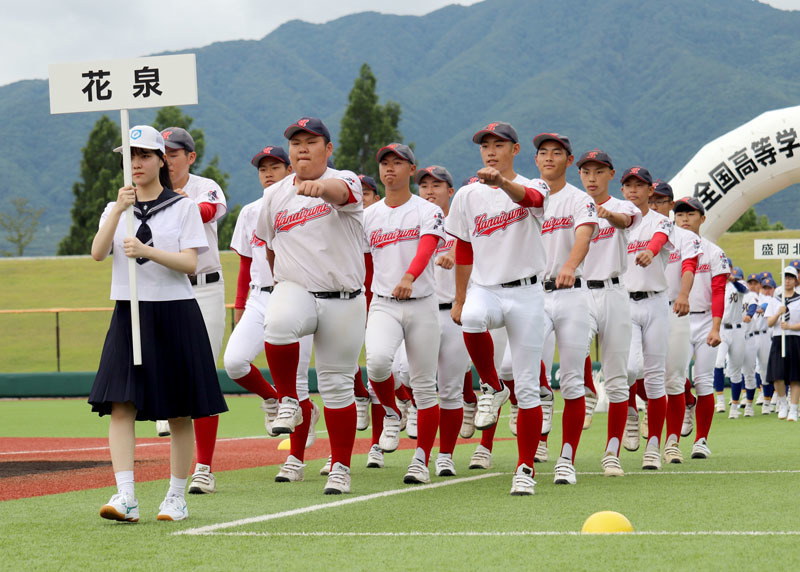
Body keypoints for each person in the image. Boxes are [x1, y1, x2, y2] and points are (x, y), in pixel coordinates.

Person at [89, 125, 227, 522]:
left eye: (145, 155)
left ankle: (175, 496)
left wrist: (148, 249)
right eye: (129, 157)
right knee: (121, 405)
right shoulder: (116, 208)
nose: (136, 163)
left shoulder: (182, 206)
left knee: (179, 410)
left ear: (160, 160)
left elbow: (190, 262)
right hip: (129, 310)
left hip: (175, 311)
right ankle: (126, 496)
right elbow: (98, 253)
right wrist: (117, 210)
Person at [257, 117, 366, 495]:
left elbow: (340, 192)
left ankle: (340, 467)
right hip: (297, 288)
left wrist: (322, 188)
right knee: (278, 323)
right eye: (296, 142)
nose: (302, 147)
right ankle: (288, 399)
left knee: (337, 388)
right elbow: (270, 246)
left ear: (328, 148)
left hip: (344, 298)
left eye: (311, 141)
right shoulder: (274, 196)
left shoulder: (346, 178)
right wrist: (280, 281)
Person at [446, 121, 550, 496]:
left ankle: (524, 468)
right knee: (471, 319)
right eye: (485, 145)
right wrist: (459, 297)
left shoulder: (533, 185)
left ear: (515, 150)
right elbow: (463, 249)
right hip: (485, 287)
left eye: (499, 144)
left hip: (526, 292)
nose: (490, 150)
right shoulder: (467, 195)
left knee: (526, 386)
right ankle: (490, 384)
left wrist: (502, 184)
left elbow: (532, 202)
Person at [223, 146, 318, 483]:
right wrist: (238, 305)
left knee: (298, 385)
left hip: (296, 296)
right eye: (262, 167)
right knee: (234, 362)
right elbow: (246, 264)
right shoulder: (250, 212)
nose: (267, 172)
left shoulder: (305, 204)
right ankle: (272, 398)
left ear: (290, 167)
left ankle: (295, 460)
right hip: (259, 297)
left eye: (275, 166)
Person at [362, 145, 446, 484]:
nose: (390, 168)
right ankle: (391, 411)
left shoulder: (427, 210)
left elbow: (427, 247)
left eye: (398, 162)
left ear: (412, 169)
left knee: (424, 386)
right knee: (377, 364)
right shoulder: (368, 215)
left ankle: (421, 460)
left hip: (423, 301)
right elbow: (366, 265)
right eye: (384, 163)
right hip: (383, 302)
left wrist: (410, 276)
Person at [158, 127, 228, 495]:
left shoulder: (203, 186)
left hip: (204, 286)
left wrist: (179, 204)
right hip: (167, 287)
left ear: (190, 156)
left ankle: (204, 467)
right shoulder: (150, 190)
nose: (167, 159)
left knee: (204, 373)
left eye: (174, 152)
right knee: (168, 367)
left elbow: (211, 209)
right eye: (163, 153)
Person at [532, 133, 598, 485]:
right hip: (532, 295)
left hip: (571, 293)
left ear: (569, 161)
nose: (549, 158)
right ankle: (541, 403)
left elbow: (584, 236)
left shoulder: (578, 200)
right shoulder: (526, 196)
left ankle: (566, 458)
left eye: (557, 153)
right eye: (543, 152)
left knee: (572, 381)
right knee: (519, 369)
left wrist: (570, 265)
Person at [576, 149, 641, 477]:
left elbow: (625, 221)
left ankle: (611, 453)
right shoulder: (571, 204)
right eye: (586, 171)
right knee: (573, 361)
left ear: (610, 175)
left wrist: (604, 213)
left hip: (615, 291)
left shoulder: (621, 206)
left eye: (598, 171)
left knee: (618, 379)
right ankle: (565, 454)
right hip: (578, 292)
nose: (591, 177)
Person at [417, 165, 471, 477]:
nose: (430, 190)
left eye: (437, 185)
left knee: (450, 389)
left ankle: (445, 455)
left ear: (451, 191)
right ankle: (406, 417)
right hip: (419, 310)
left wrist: (458, 255)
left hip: (455, 312)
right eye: (424, 185)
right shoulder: (411, 219)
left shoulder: (461, 224)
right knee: (399, 370)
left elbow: (480, 259)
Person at [621, 167, 674, 470]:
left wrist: (651, 252)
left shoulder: (662, 221)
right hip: (623, 302)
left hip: (655, 302)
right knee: (629, 368)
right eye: (628, 184)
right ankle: (629, 411)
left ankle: (653, 446)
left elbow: (658, 239)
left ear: (650, 190)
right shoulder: (616, 218)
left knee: (655, 379)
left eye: (639, 185)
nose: (633, 190)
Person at [647, 179, 701, 463]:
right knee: (637, 372)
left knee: (675, 379)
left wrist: (683, 293)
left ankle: (671, 442)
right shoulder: (635, 227)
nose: (654, 204)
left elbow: (690, 266)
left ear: (671, 204)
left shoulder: (684, 236)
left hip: (673, 308)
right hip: (642, 307)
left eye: (660, 200)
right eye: (651, 199)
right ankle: (637, 416)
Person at [672, 197, 728, 459]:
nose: (684, 219)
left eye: (690, 214)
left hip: (705, 319)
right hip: (675, 317)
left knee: (704, 380)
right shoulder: (669, 247)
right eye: (680, 214)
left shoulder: (714, 252)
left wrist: (716, 328)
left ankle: (701, 440)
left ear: (702, 219)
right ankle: (688, 403)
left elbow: (718, 292)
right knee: (673, 375)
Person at [765, 266, 800, 422]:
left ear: (795, 280)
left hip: (794, 338)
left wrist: (790, 326)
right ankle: (782, 403)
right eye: (785, 278)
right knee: (777, 375)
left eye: (791, 278)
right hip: (779, 338)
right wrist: (779, 313)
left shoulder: (799, 299)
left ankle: (793, 408)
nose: (787, 281)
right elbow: (769, 323)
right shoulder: (775, 300)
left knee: (795, 376)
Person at [715, 266, 747, 418]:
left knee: (735, 369)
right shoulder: (715, 285)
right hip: (721, 328)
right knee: (718, 363)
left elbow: (744, 290)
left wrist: (734, 279)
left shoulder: (739, 285)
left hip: (737, 329)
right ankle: (720, 400)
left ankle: (735, 406)